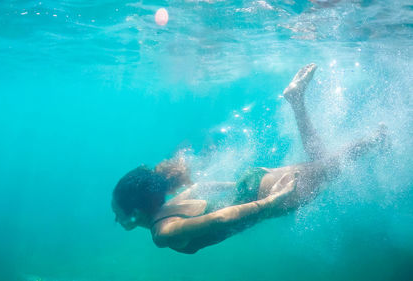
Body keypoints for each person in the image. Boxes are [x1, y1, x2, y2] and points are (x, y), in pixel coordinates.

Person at [111, 63, 387, 254]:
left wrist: (270, 201)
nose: (115, 219)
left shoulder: (163, 232)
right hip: (253, 185)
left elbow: (220, 220)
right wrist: (235, 186)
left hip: (261, 195)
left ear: (134, 213)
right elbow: (198, 188)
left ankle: (369, 135)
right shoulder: (170, 206)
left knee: (330, 167)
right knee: (325, 165)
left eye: (117, 213)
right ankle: (304, 104)